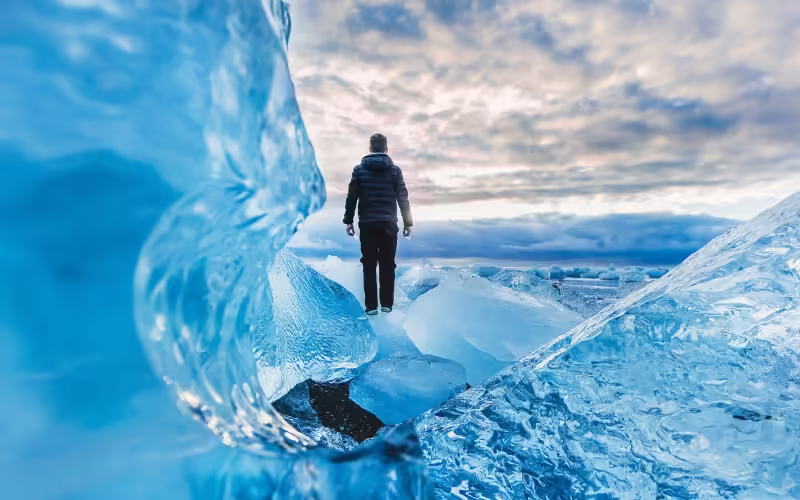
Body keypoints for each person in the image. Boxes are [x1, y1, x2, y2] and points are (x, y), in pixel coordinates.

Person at [343, 133, 413, 315]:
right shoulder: (395, 171)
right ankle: (387, 305)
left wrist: (348, 221)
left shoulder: (359, 170)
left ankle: (371, 307)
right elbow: (402, 197)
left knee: (369, 265)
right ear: (386, 149)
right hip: (389, 224)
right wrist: (408, 223)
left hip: (367, 224)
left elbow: (352, 197)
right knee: (387, 264)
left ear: (370, 148)